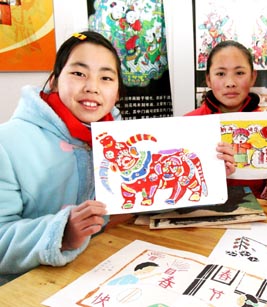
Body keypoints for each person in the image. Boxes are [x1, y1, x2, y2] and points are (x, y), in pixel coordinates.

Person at [0, 31, 236, 285]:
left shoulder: (121, 140)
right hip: (27, 289)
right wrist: (61, 233)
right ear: (55, 81)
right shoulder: (8, 142)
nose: (92, 86)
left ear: (117, 92)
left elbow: (146, 197)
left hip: (104, 269)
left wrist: (210, 175)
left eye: (106, 77)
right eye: (79, 73)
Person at [185, 40, 267, 198]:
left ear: (253, 77)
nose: (230, 83)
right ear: (208, 79)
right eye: (220, 74)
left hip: (255, 215)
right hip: (198, 216)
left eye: (239, 73)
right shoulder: (188, 124)